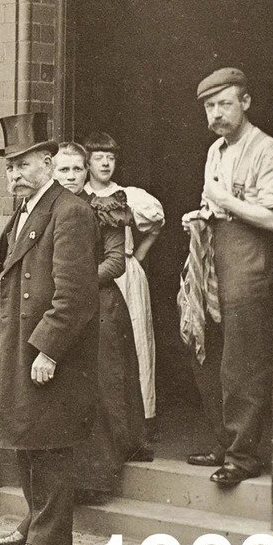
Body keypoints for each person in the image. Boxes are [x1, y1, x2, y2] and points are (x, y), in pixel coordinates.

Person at [0, 112, 100, 545]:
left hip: (45, 349)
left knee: (49, 444)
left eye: (24, 164)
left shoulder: (71, 212)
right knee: (27, 438)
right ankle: (34, 524)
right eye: (10, 166)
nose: (15, 174)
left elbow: (75, 294)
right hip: (19, 340)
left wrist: (49, 349)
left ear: (50, 163)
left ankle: (50, 543)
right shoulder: (28, 207)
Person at [181, 66, 273, 488]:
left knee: (243, 358)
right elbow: (215, 204)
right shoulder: (215, 150)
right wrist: (201, 215)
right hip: (214, 252)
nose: (216, 113)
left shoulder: (267, 149)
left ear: (246, 102)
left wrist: (222, 202)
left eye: (224, 103)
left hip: (248, 256)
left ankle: (244, 455)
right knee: (207, 345)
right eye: (209, 106)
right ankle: (223, 442)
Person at [53, 141, 150, 499]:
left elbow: (115, 262)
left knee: (102, 386)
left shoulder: (104, 209)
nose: (70, 176)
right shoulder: (48, 209)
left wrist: (75, 282)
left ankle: (97, 478)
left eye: (77, 169)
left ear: (87, 171)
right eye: (63, 170)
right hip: (62, 307)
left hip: (101, 305)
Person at [82, 134, 163, 427]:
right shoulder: (78, 192)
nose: (105, 163)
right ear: (87, 161)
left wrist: (135, 257)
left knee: (136, 342)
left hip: (125, 275)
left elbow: (156, 223)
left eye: (111, 157)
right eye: (99, 157)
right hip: (94, 274)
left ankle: (143, 419)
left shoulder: (128, 195)